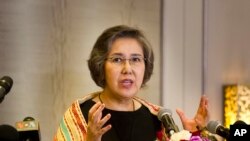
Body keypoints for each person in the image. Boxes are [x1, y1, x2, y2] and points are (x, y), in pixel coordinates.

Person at [54, 25, 210, 141]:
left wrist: (194, 134)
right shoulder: (80, 114)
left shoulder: (157, 118)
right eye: (117, 59)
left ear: (145, 66)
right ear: (101, 65)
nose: (127, 69)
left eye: (135, 59)